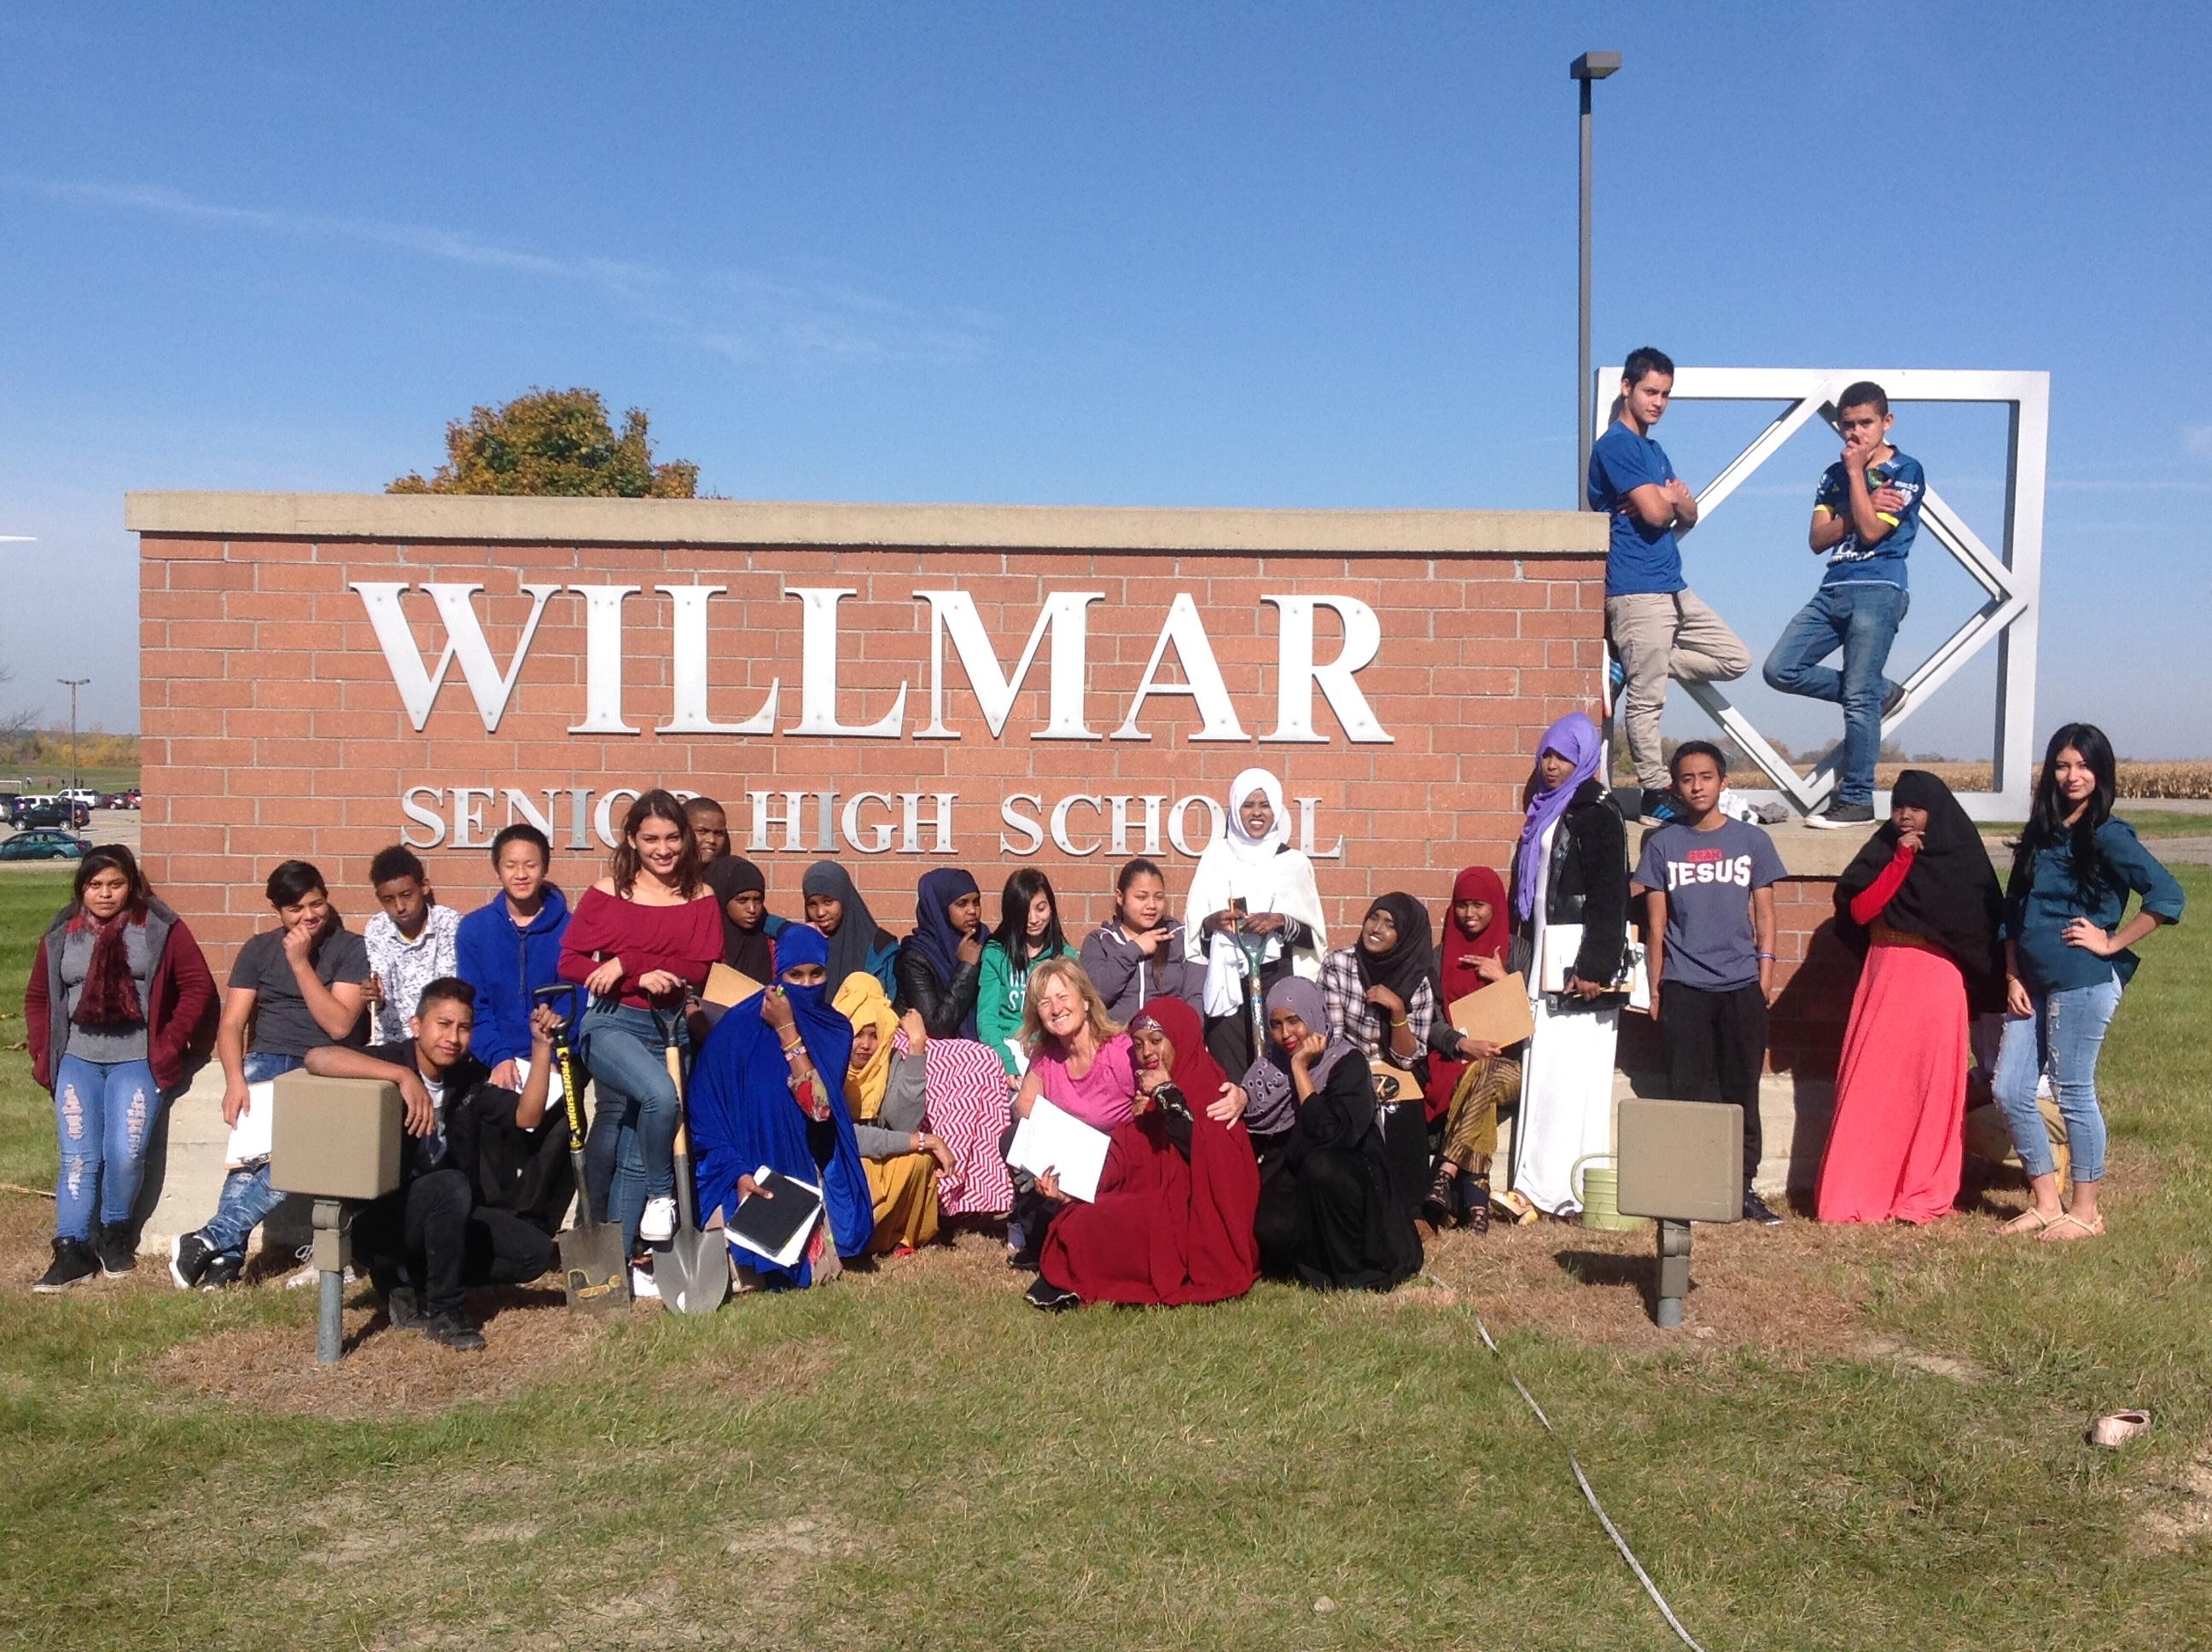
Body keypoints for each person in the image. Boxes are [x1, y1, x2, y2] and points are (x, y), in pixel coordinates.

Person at [1992, 724, 2185, 1241]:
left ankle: (2086, 1211)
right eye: (2062, 764)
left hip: (2082, 980)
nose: (2072, 775)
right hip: (2029, 983)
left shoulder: (2108, 834)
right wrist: (2012, 972)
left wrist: (2111, 942)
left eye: (2082, 765)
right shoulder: (2041, 830)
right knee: (2010, 1089)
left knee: (2073, 1091)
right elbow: (2013, 911)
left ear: (2100, 772)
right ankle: (2046, 1202)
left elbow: (2167, 897)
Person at [304, 980, 563, 1351]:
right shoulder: (395, 1059)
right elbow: (317, 1058)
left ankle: (415, 1279)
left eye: (463, 1027)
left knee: (533, 1253)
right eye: (443, 1024)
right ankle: (444, 1313)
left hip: (444, 1211)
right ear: (416, 1025)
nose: (453, 1038)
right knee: (450, 1184)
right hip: (382, 1222)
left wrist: (541, 1047)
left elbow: (527, 1116)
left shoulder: (467, 1077)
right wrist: (402, 1077)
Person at [169, 860, 371, 1290]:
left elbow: (338, 1025)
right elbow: (231, 1023)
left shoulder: (350, 948)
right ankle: (225, 1261)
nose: (309, 916)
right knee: (246, 1166)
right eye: (295, 909)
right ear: (278, 912)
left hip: (321, 1066)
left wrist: (300, 964)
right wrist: (235, 1081)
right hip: (264, 1064)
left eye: (316, 904)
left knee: (296, 1156)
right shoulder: (259, 949)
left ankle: (210, 1238)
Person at [1816, 771, 2005, 1224]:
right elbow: (1861, 910)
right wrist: (1899, 862)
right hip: (1886, 975)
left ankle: (1921, 1191)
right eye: (1899, 806)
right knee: (1872, 1085)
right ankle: (1858, 1192)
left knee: (1930, 1088)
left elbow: (1981, 929)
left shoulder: (1962, 861)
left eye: (1916, 807)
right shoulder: (1882, 850)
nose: (1905, 815)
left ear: (1934, 812)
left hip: (1937, 982)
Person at [26, 846, 218, 1291]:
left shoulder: (160, 929)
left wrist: (169, 1044)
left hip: (137, 1060)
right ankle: (72, 1248)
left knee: (126, 1152)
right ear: (82, 889)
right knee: (78, 1156)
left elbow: (197, 987)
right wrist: (42, 1053)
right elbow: (39, 998)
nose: (105, 894)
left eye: (116, 884)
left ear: (131, 885)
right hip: (77, 1059)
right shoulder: (62, 931)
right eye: (95, 885)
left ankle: (114, 1234)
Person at [1589, 346, 1753, 824]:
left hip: (1673, 584)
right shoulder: (1616, 445)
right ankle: (1654, 791)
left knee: (1734, 657)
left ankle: (1632, 657)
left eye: (1666, 394)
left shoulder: (1653, 450)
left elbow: (1690, 511)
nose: (1658, 402)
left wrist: (1667, 499)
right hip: (1636, 587)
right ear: (1627, 388)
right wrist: (1666, 498)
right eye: (1650, 392)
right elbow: (1666, 511)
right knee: (1647, 700)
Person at [1631, 742, 1789, 1225]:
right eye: (1686, 779)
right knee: (1688, 1091)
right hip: (1684, 987)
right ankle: (1690, 1191)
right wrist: (1657, 990)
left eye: (1705, 776)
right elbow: (1655, 927)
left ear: (1723, 782)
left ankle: (1742, 1187)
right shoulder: (1662, 845)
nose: (1697, 786)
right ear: (1675, 788)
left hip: (1741, 986)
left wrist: (1763, 977)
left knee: (1741, 1089)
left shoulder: (1751, 842)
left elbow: (1765, 913)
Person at [557, 789, 721, 1256]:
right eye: (651, 839)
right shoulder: (607, 894)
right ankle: (663, 1193)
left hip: (669, 1031)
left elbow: (701, 969)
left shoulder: (701, 897)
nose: (663, 849)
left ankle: (620, 1259)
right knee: (659, 1095)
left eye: (672, 838)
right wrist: (621, 970)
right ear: (631, 839)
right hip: (611, 1023)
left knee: (635, 1144)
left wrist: (628, 960)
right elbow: (570, 960)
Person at [1763, 382, 1926, 829]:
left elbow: (1874, 533)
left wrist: (1857, 478)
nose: (1855, 433)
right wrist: (1859, 505)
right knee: (1780, 668)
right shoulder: (1829, 474)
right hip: (1833, 587)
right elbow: (1818, 539)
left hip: (1879, 588)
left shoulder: (1906, 470)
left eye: (1865, 423)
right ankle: (1878, 690)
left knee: (1857, 697)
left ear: (1886, 422)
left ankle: (1856, 799)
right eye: (1848, 424)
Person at [1030, 995, 1259, 1312]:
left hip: (1195, 1212)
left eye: (1155, 1040)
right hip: (1152, 1196)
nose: (1147, 1052)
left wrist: (1168, 1094)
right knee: (1077, 1219)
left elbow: (1208, 1155)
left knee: (1138, 1224)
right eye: (1138, 1044)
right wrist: (1070, 1189)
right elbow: (1124, 1156)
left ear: (1181, 1037)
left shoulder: (1215, 1090)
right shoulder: (1148, 1096)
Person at [687, 925, 876, 1287]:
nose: (805, 985)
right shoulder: (737, 1028)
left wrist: (788, 1030)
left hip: (803, 1171)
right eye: (795, 975)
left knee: (812, 1267)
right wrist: (739, 1172)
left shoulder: (833, 1030)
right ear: (779, 974)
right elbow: (705, 1113)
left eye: (815, 974)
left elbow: (818, 1110)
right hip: (742, 1172)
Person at [1505, 713, 1628, 1219]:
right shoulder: (1545, 811)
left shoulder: (1597, 810)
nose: (1552, 766)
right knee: (1545, 1065)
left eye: (1563, 756)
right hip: (1546, 955)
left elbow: (1610, 895)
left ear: (1584, 758)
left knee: (1575, 1070)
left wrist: (1594, 965)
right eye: (1547, 755)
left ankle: (1569, 1189)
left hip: (1579, 959)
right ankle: (1534, 1184)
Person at [1247, 979, 1421, 1291]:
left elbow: (1330, 1134)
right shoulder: (1269, 1068)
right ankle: (1318, 1263)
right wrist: (1240, 1097)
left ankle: (1351, 1271)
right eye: (1276, 1025)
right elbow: (1256, 1119)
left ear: (1313, 1015)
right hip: (1302, 1169)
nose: (1286, 1035)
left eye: (1294, 1021)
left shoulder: (1346, 1062)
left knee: (1322, 1168)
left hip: (1351, 1175)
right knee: (1269, 1227)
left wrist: (1300, 1070)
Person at [1184, 768, 1327, 1077]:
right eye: (1248, 805)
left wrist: (1279, 921)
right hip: (1227, 987)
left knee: (1278, 1072)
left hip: (1278, 982)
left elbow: (1312, 937)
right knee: (1229, 1074)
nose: (1257, 813)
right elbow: (1197, 934)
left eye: (1265, 804)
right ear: (1236, 809)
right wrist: (1214, 922)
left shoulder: (1294, 863)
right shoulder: (1215, 859)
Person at [1319, 893, 1439, 1224]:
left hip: (1394, 1067)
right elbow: (1334, 1039)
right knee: (1357, 1103)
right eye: (1374, 918)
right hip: (1345, 1065)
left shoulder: (1419, 981)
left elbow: (1407, 1058)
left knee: (1404, 1105)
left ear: (1406, 935)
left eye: (1390, 925)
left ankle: (1411, 1210)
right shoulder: (1339, 964)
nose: (1376, 929)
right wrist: (1362, 1077)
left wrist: (1398, 1009)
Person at [1423, 866, 1521, 1233]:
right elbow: (1426, 1019)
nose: (1470, 914)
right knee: (1479, 1076)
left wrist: (1505, 981)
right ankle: (1477, 1208)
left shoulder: (1518, 950)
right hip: (1453, 1061)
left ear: (1495, 905)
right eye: (1462, 905)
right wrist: (1462, 1044)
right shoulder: (1438, 956)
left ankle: (1445, 1169)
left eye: (1479, 904)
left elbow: (1533, 1025)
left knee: (1486, 1070)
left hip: (1509, 1067)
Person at [835, 972, 955, 1254]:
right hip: (839, 1158)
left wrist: (916, 1048)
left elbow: (904, 1123)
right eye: (858, 1034)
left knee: (920, 1162)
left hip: (879, 1152)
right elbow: (846, 1137)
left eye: (874, 1035)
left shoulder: (887, 1061)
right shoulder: (827, 1063)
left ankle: (898, 1238)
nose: (866, 1045)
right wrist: (927, 1140)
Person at [454, 823, 573, 1092]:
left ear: (544, 868)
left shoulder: (571, 929)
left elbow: (571, 1002)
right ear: (497, 869)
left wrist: (552, 1057)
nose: (521, 874)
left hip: (554, 1056)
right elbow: (474, 1004)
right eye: (511, 865)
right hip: (493, 1059)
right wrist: (498, 1055)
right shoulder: (474, 928)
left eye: (530, 865)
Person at [1080, 857, 1204, 1022]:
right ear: (1120, 897)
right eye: (1141, 897)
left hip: (1169, 1043)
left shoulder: (1180, 937)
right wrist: (1135, 949)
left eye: (1159, 897)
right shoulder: (1100, 941)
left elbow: (1196, 999)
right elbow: (1096, 995)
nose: (1151, 905)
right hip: (1115, 1042)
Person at [363, 845, 462, 1044]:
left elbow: (448, 993)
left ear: (424, 886)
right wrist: (376, 999)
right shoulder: (377, 928)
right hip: (391, 1041)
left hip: (439, 1042)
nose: (399, 907)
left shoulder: (450, 924)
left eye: (407, 895)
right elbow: (381, 992)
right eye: (388, 899)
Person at [978, 868, 1071, 1076]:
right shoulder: (996, 953)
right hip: (1005, 1049)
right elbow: (987, 1019)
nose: (1033, 919)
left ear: (1051, 908)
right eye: (1024, 911)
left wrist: (1041, 1045)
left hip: (1051, 1051)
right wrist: (1006, 1062)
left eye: (1041, 908)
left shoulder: (1065, 957)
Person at [894, 867, 985, 1038]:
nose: (972, 910)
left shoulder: (984, 941)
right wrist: (966, 969)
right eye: (962, 903)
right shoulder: (916, 958)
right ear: (939, 908)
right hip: (934, 1057)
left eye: (976, 902)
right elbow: (936, 1028)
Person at [802, 861, 899, 998]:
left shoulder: (880, 949)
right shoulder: (804, 946)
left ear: (844, 899)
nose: (820, 912)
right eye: (812, 904)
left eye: (828, 901)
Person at [701, 851, 777, 980]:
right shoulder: (704, 940)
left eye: (758, 900)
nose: (752, 909)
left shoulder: (769, 940)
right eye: (742, 900)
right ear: (723, 898)